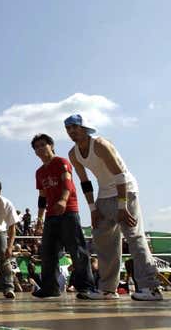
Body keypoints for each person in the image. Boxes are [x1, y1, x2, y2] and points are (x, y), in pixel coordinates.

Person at [65, 114, 162, 301]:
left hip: (125, 191)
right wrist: (93, 209)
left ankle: (151, 288)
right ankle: (108, 289)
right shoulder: (73, 153)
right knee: (103, 240)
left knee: (134, 236)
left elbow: (120, 175)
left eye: (74, 127)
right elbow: (85, 182)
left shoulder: (100, 145)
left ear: (85, 128)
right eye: (68, 129)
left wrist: (122, 206)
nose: (71, 132)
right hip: (104, 194)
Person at [31, 133, 97, 299]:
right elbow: (42, 196)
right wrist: (39, 219)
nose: (40, 149)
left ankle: (86, 287)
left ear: (51, 146)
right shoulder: (39, 172)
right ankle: (50, 288)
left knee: (77, 250)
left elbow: (67, 182)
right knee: (47, 252)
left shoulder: (61, 162)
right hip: (51, 215)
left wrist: (62, 200)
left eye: (42, 145)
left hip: (68, 211)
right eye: (36, 147)